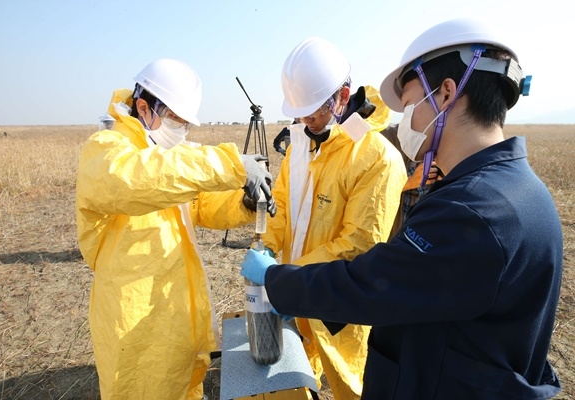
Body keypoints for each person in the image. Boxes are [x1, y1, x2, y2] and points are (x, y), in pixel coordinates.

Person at [241, 18, 563, 399]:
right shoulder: (512, 190)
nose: (404, 119)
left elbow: (374, 284)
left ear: (447, 93)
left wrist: (279, 283)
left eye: (410, 104)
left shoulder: (476, 212)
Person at [76, 58, 276, 400]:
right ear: (143, 107)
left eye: (186, 124)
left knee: (183, 385)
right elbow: (138, 180)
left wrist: (242, 204)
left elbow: (197, 207)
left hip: (175, 308)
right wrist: (232, 165)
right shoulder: (107, 151)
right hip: (135, 321)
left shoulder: (164, 156)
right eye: (175, 120)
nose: (181, 131)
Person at [260, 36, 407, 399]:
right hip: (296, 289)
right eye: (300, 114)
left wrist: (286, 281)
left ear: (342, 97)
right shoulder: (303, 143)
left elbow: (359, 246)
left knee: (351, 383)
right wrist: (266, 246)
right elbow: (281, 202)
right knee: (296, 376)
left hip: (340, 301)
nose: (306, 121)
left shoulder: (376, 158)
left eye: (314, 112)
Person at [380, 122, 441, 235]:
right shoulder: (387, 137)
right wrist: (409, 182)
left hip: (426, 239)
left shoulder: (453, 147)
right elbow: (369, 190)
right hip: (389, 237)